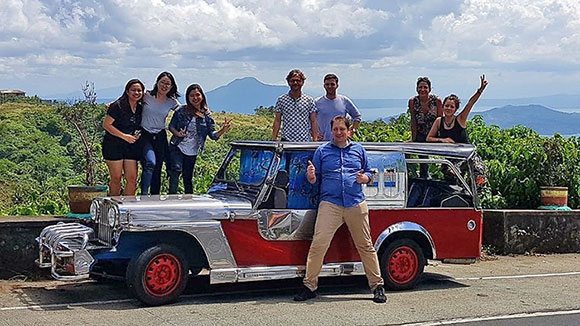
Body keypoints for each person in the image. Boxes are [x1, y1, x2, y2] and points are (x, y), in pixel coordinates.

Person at [293, 116, 387, 304]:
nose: (338, 133)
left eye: (341, 129)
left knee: (366, 245)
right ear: (331, 131)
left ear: (348, 130)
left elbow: (369, 172)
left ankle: (377, 286)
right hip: (330, 204)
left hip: (355, 202)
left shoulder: (359, 150)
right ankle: (309, 286)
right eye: (335, 129)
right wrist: (310, 176)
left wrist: (366, 179)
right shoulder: (322, 151)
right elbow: (314, 179)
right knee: (319, 244)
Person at [168, 84, 231, 194]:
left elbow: (213, 135)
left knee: (188, 177)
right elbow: (171, 126)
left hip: (192, 151)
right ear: (187, 97)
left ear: (202, 96)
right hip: (177, 146)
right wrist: (178, 133)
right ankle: (172, 198)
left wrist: (223, 129)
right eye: (191, 95)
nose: (195, 98)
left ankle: (189, 200)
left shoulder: (206, 116)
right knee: (176, 169)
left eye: (197, 95)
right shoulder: (181, 110)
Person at [139, 72, 181, 195]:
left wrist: (203, 111)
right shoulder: (146, 96)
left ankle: (155, 196)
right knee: (150, 163)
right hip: (144, 134)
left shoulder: (171, 102)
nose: (164, 86)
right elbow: (130, 98)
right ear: (157, 82)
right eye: (162, 82)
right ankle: (144, 195)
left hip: (160, 136)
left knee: (157, 168)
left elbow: (184, 111)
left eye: (168, 83)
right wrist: (112, 105)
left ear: (172, 86)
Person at [102, 79, 145, 196]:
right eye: (133, 90)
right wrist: (124, 136)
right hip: (113, 145)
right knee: (116, 178)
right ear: (127, 91)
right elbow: (106, 125)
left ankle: (128, 208)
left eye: (139, 91)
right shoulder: (118, 106)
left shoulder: (140, 108)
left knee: (132, 178)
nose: (136, 93)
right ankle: (113, 208)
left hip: (131, 147)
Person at [427, 75, 488, 144]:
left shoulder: (460, 119)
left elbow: (470, 103)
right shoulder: (439, 121)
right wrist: (442, 140)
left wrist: (480, 91)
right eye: (446, 106)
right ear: (443, 107)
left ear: (456, 109)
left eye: (452, 107)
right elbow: (429, 138)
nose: (448, 108)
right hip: (448, 153)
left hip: (463, 153)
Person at [272, 69, 320, 142]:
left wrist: (315, 139)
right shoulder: (281, 100)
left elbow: (313, 121)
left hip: (304, 141)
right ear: (288, 82)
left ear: (302, 82)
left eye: (298, 80)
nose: (295, 83)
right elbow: (277, 120)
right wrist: (274, 139)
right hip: (286, 140)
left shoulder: (309, 100)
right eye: (292, 80)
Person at [409, 76, 442, 178]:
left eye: (425, 87)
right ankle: (421, 179)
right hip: (420, 134)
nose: (422, 90)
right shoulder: (413, 101)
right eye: (420, 87)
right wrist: (413, 139)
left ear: (430, 89)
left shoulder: (436, 101)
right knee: (422, 160)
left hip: (433, 134)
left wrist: (442, 138)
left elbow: (441, 120)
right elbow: (413, 121)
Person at [315, 73, 362, 141]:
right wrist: (314, 133)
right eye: (327, 84)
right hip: (322, 142)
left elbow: (357, 116)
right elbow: (310, 120)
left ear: (337, 86)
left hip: (341, 142)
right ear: (324, 86)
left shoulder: (344, 100)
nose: (330, 86)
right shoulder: (317, 102)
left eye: (332, 84)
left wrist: (352, 131)